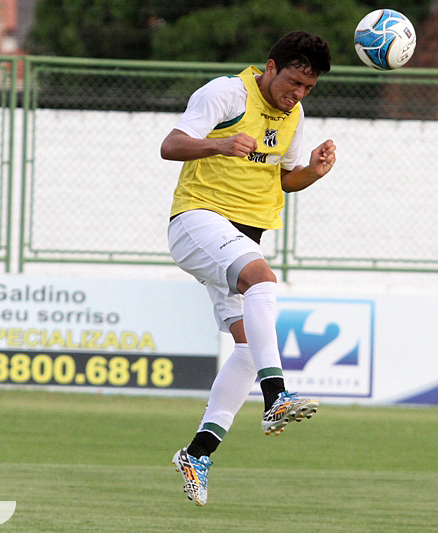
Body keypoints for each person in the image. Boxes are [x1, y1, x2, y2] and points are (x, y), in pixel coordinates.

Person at [161, 31, 335, 507]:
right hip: (197, 220)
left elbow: (283, 178)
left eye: (308, 88)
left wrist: (313, 174)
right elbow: (171, 145)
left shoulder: (293, 116)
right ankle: (276, 397)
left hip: (241, 238)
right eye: (294, 81)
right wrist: (217, 145)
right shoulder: (226, 93)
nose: (297, 94)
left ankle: (197, 453)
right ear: (271, 66)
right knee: (264, 279)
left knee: (246, 345)